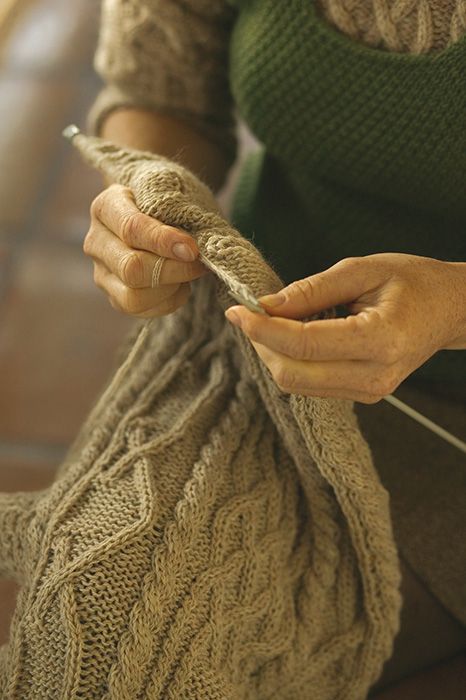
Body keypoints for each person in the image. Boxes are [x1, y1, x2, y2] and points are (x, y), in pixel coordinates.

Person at [83, 1, 466, 696]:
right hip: (264, 358)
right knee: (107, 634)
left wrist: (454, 309)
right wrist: (149, 197)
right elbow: (158, 91)